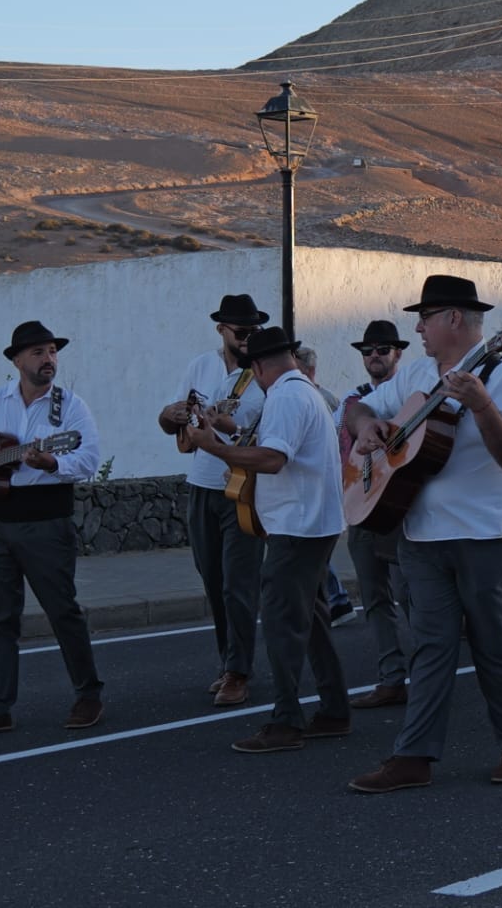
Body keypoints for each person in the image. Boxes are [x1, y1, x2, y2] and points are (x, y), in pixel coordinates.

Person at [346, 275, 502, 794]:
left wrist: (482, 405)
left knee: (494, 643)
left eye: (425, 318)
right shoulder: (416, 372)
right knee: (429, 647)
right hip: (422, 533)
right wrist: (364, 427)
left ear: (454, 318)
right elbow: (357, 407)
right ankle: (414, 756)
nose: (417, 329)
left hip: (487, 532)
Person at [0, 320, 105, 738]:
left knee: (62, 612)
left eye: (53, 352)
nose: (49, 360)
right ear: (17, 361)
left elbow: (89, 459)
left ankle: (88, 695)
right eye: (39, 352)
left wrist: (53, 462)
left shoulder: (70, 406)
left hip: (46, 522)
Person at [186, 328, 352, 754]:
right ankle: (334, 710)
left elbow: (274, 458)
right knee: (312, 620)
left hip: (297, 527)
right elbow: (280, 447)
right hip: (311, 524)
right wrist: (233, 429)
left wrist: (214, 447)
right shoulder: (301, 390)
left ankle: (286, 721)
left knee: (281, 624)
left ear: (258, 367)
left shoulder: (285, 397)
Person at [156, 293, 268, 708]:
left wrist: (230, 426)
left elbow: (270, 433)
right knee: (214, 582)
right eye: (241, 330)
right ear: (221, 329)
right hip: (202, 485)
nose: (247, 337)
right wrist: (171, 416)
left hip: (245, 486)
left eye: (253, 330)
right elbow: (173, 423)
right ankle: (228, 662)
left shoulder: (264, 372)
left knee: (239, 583)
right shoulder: (200, 366)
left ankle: (239, 672)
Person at [339, 319, 412, 711]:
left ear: (398, 353)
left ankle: (430, 673)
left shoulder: (411, 398)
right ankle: (391, 678)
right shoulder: (353, 400)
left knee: (409, 594)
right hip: (362, 503)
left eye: (383, 350)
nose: (374, 356)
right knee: (374, 598)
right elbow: (344, 450)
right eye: (368, 351)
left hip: (400, 507)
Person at [293, 345, 355, 623]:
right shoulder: (316, 396)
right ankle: (338, 601)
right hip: (317, 483)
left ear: (310, 370)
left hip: (320, 483)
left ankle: (337, 601)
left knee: (313, 548)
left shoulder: (320, 399)